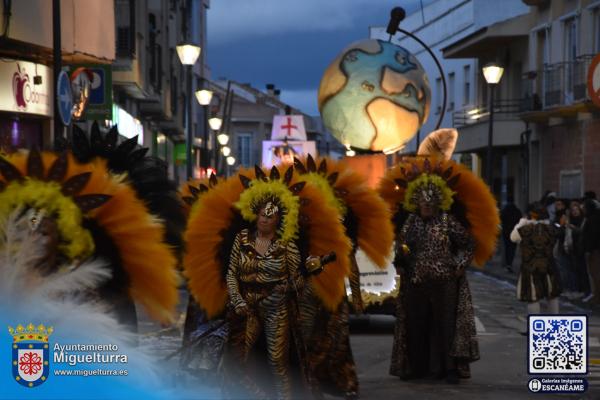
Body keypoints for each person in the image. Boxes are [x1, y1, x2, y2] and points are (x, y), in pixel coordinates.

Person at [510, 202, 561, 315]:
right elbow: (555, 247)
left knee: (532, 297)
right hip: (549, 266)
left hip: (530, 266)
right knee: (551, 295)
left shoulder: (526, 229)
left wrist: (520, 223)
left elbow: (513, 238)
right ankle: (554, 326)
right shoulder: (551, 229)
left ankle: (534, 328)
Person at [500, 196, 522, 273]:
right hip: (514, 232)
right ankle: (510, 263)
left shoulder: (505, 210)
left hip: (506, 232)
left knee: (507, 248)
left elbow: (501, 218)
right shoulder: (517, 211)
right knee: (512, 248)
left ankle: (508, 263)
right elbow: (520, 220)